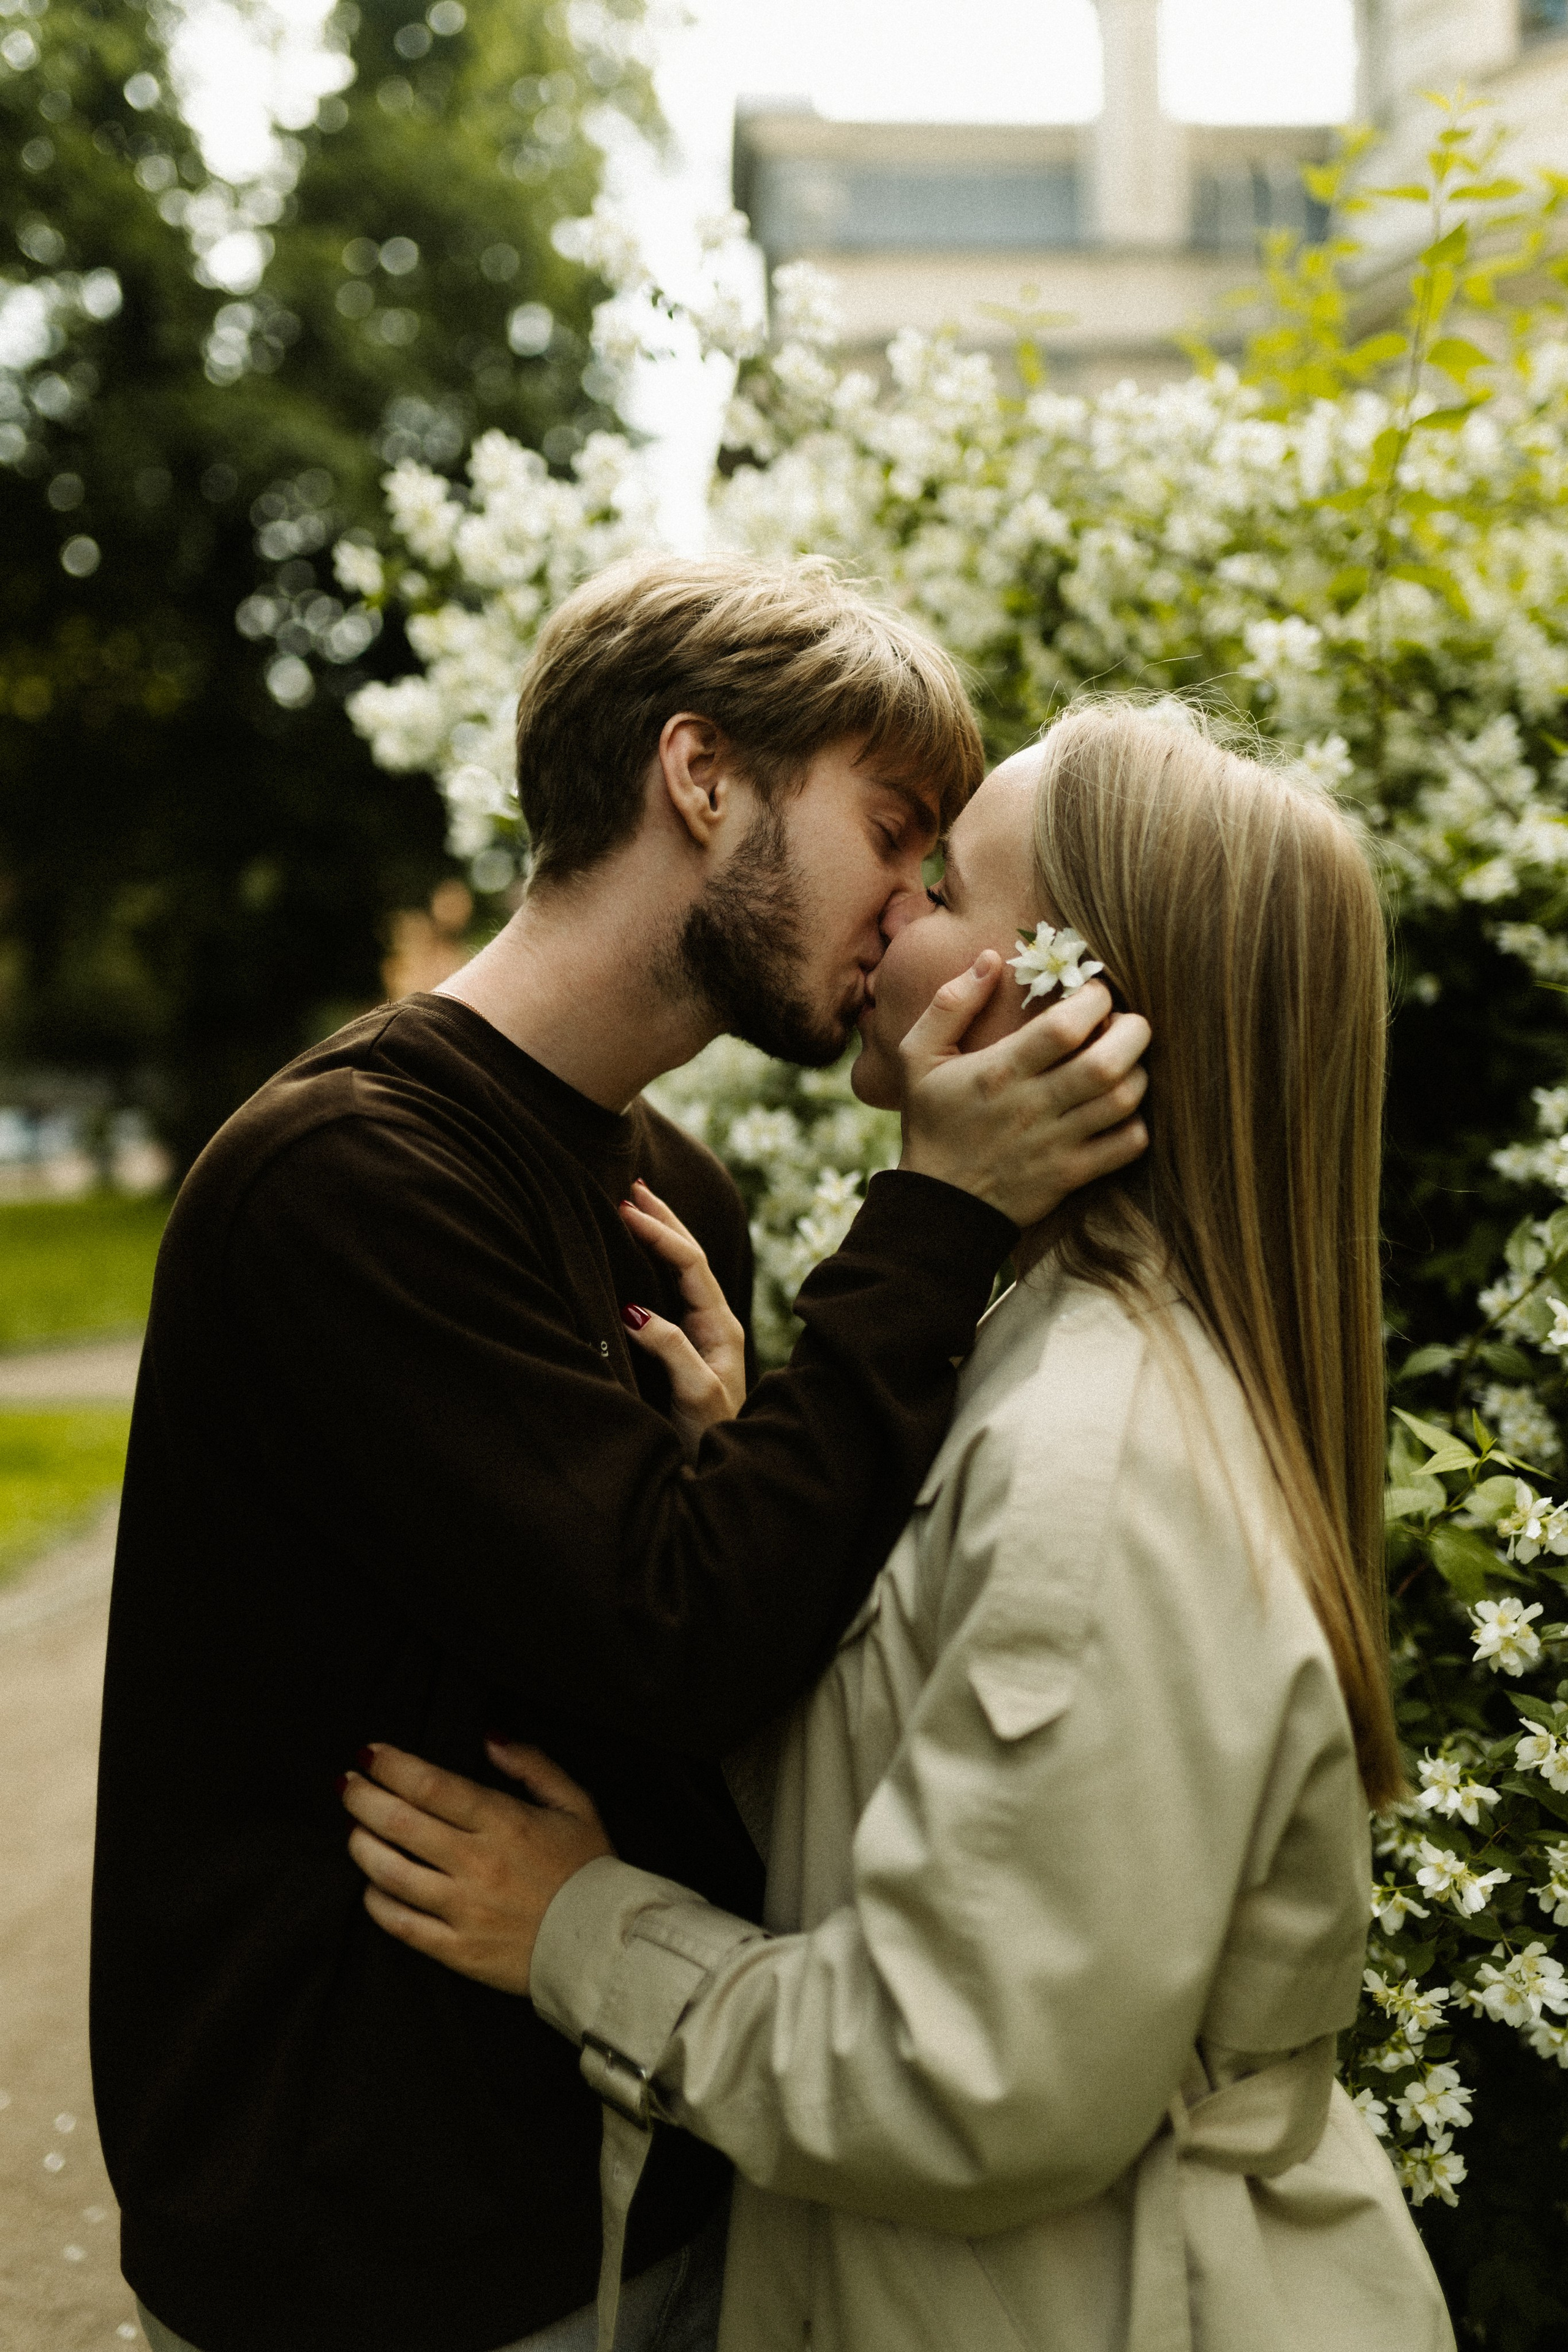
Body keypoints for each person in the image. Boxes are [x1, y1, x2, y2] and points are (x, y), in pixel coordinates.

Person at [91, 558, 1152, 2352]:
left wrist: (746, 1452)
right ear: (702, 775)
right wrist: (939, 1215)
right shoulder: (349, 1180)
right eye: (893, 830)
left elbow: (701, 1657)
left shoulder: (676, 1197)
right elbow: (677, 1628)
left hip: (620, 2168)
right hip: (368, 2249)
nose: (910, 911)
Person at [337, 702, 1457, 2352]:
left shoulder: (1102, 1465)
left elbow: (964, 2076)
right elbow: (923, 1804)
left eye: (945, 882)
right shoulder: (1041, 1345)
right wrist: (733, 1480)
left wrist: (581, 1930)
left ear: (1074, 1005)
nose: (886, 913)